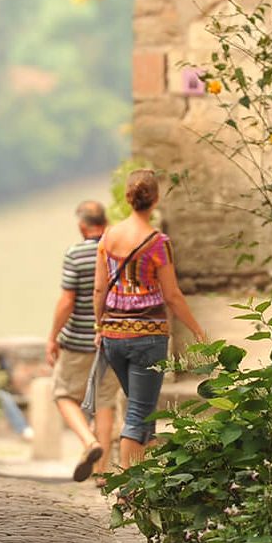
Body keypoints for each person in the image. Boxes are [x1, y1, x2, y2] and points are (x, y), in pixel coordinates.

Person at [94, 169, 207, 470]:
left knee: (143, 408)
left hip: (113, 336)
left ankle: (151, 478)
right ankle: (128, 484)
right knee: (138, 413)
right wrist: (197, 330)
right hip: (148, 336)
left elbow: (99, 288)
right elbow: (172, 295)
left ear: (128, 198)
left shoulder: (108, 237)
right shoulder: (158, 242)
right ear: (155, 200)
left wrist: (99, 326)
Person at [47, 200, 121, 482]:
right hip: (111, 338)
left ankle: (90, 442)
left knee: (63, 394)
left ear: (82, 225)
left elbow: (67, 301)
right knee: (105, 402)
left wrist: (52, 338)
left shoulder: (76, 254)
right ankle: (103, 473)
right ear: (105, 221)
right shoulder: (116, 252)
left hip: (78, 341)